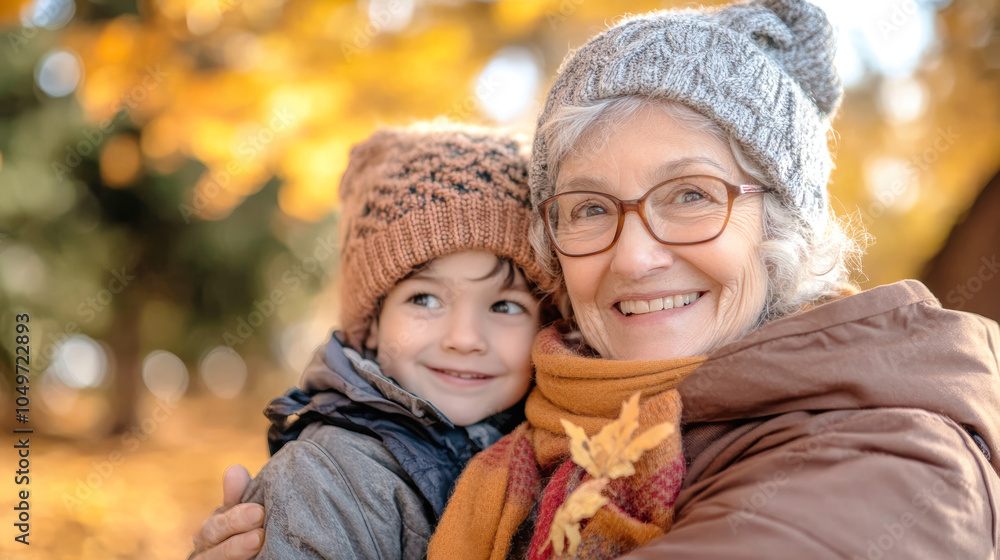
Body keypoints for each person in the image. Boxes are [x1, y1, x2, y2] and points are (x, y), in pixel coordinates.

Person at [193, 0, 1000, 558]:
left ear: (780, 223)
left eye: (690, 196)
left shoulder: (885, 454)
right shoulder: (548, 436)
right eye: (588, 209)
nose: (635, 255)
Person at [191, 123, 556, 560]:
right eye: (425, 299)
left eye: (505, 306)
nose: (465, 338)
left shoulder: (561, 450)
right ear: (374, 324)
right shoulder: (326, 479)